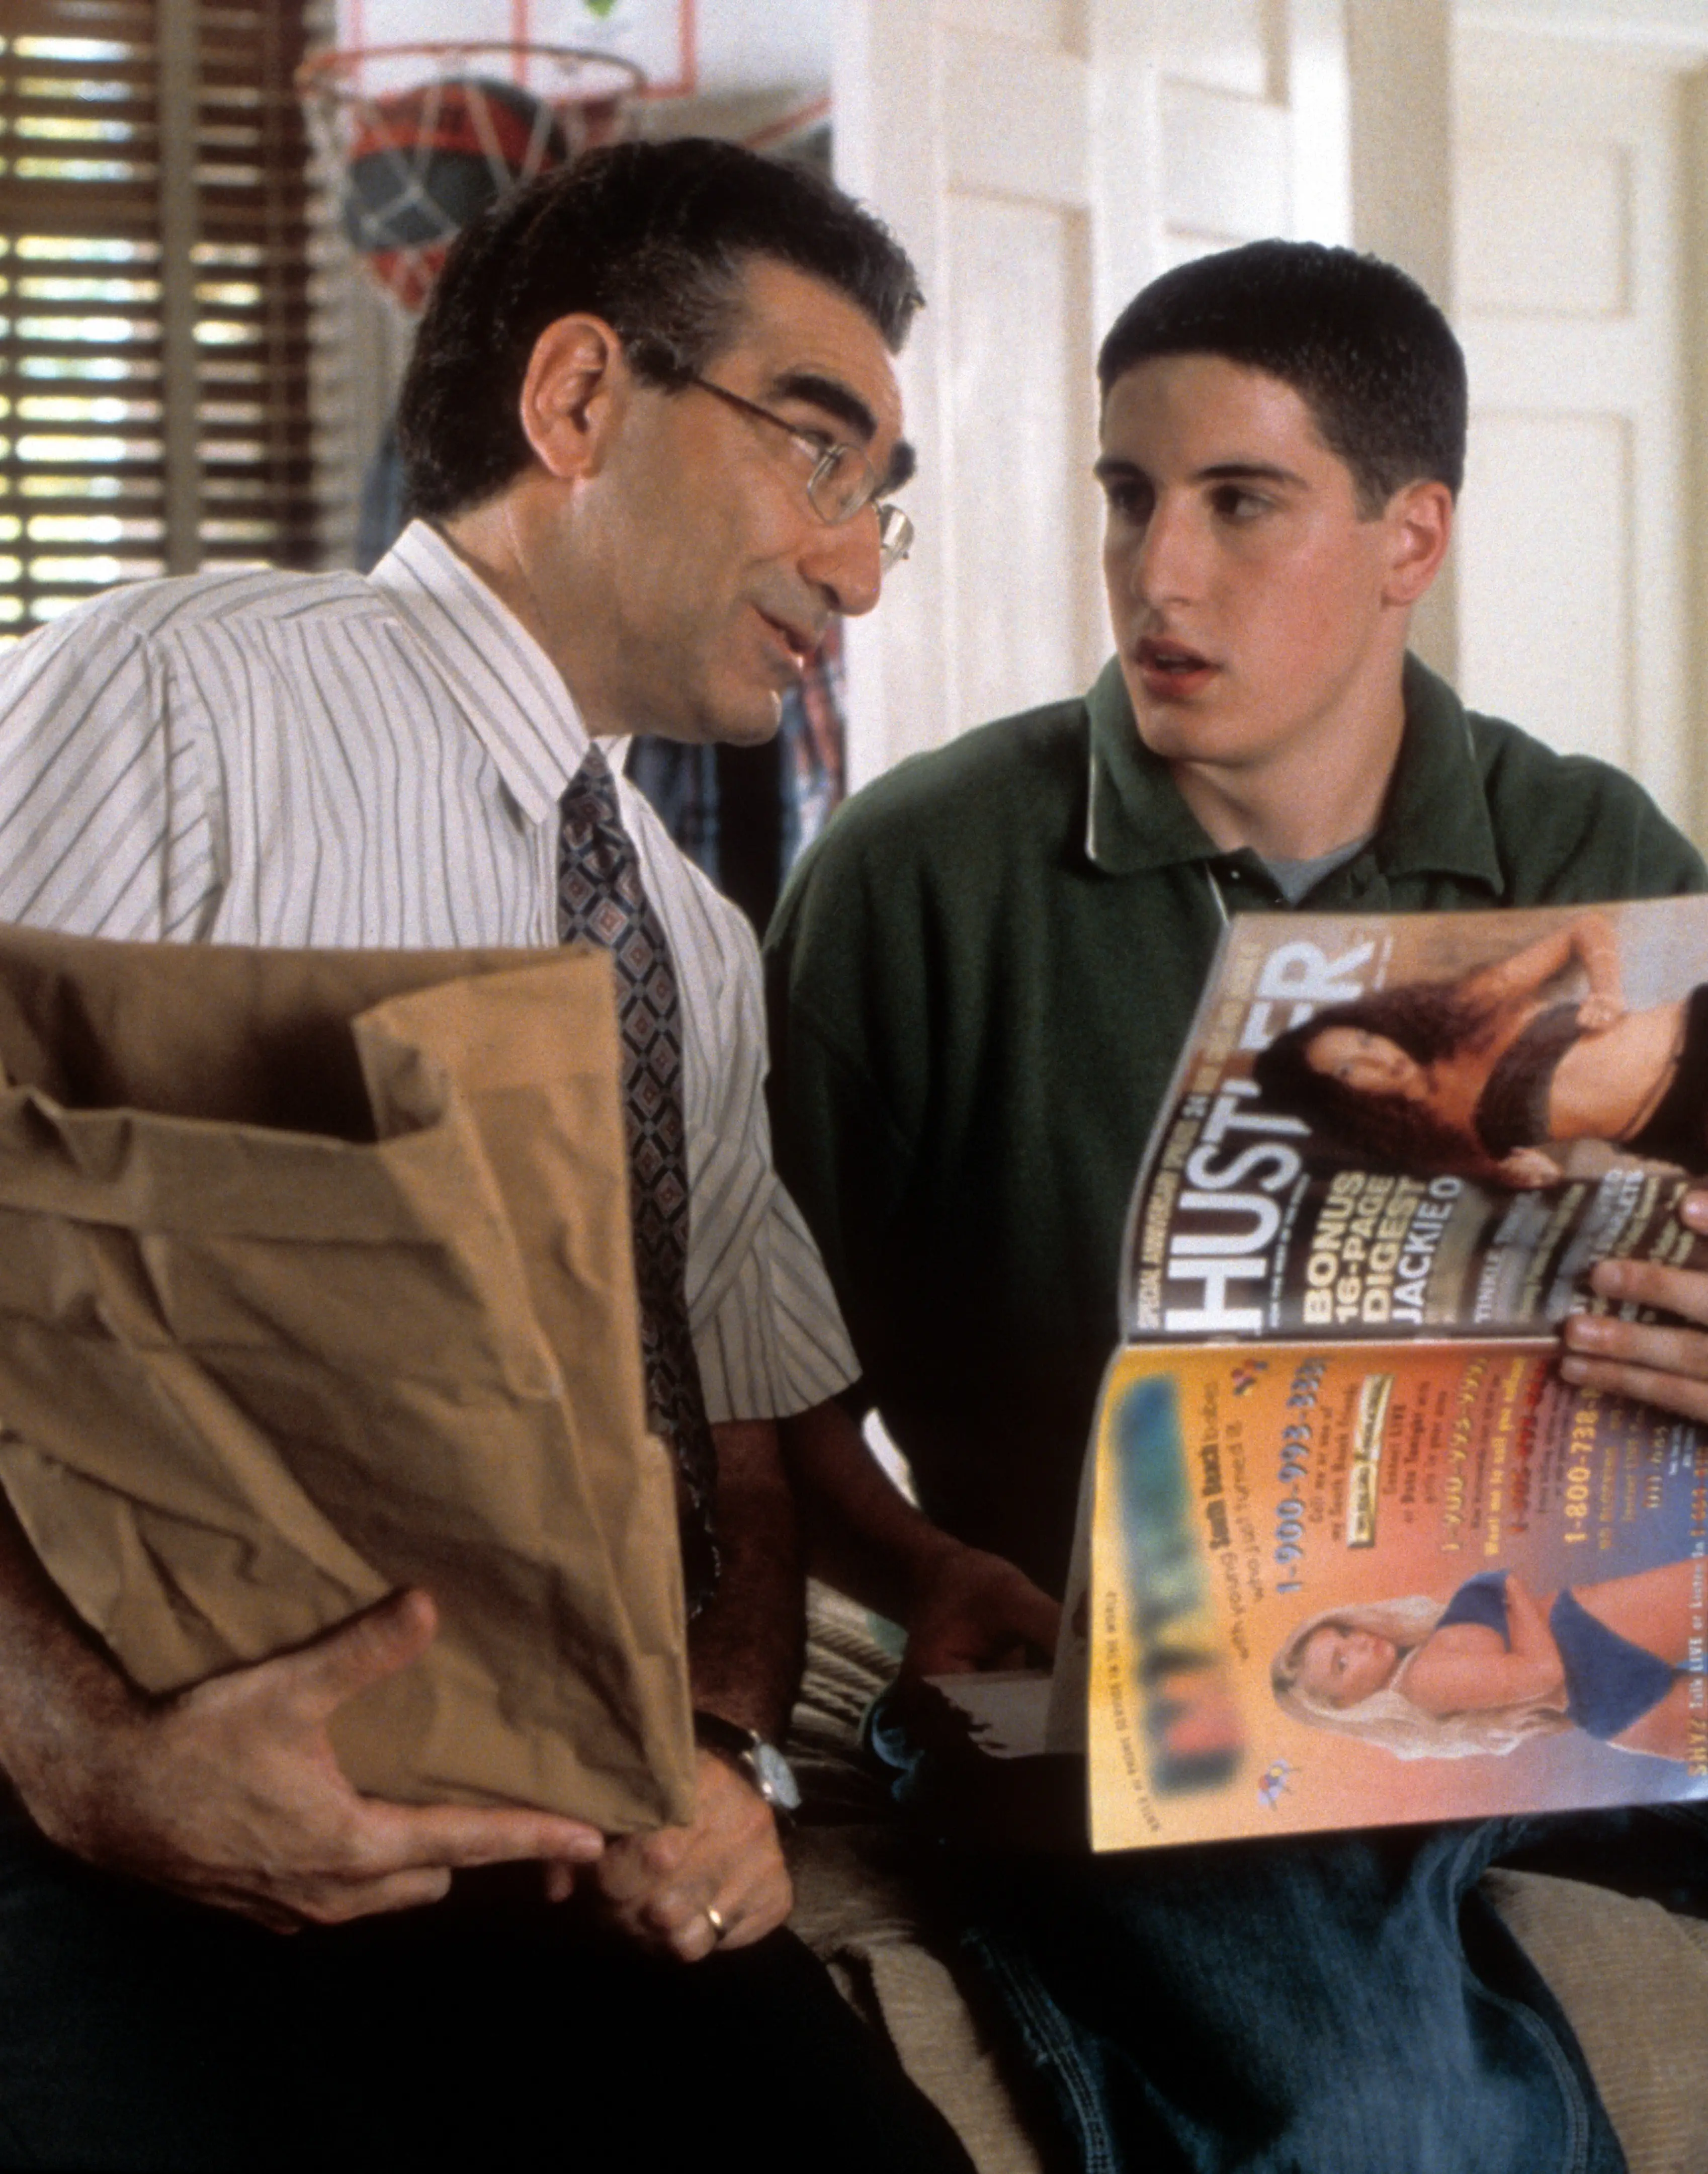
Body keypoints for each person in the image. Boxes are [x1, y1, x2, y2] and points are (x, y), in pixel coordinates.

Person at [0, 139, 976, 2172]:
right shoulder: (186, 706)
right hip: (128, 1827)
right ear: (579, 401)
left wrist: (712, 1751)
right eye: (817, 456)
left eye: (882, 503)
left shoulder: (695, 948)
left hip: (564, 1857)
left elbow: (727, 1460)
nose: (863, 569)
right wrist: (82, 1755)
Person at [766, 237, 1708, 2173]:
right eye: (1125, 496)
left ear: (1406, 536)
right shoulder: (914, 875)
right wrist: (916, 1566)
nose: (1154, 570)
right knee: (1373, 2111)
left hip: (1568, 1658)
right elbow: (731, 1382)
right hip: (1148, 1724)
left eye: (1235, 501)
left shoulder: (1595, 852)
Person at [1251, 909, 1708, 1183]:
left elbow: (1584, 928)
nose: (1377, 1056)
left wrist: (1605, 991)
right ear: (1343, 1103)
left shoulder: (1463, 1015)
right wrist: (1525, 1172)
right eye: (1349, 1070)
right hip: (1678, 1129)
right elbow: (1526, 1176)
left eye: (1368, 1039)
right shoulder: (1436, 1143)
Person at [1274, 1563, 1704, 1763]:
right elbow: (1542, 1674)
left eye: (1345, 1634)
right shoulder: (1423, 1682)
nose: (1360, 1643)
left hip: (1613, 1702)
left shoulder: (1420, 1668)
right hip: (1600, 1633)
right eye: (1342, 1664)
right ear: (1346, 1706)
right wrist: (1510, 1586)